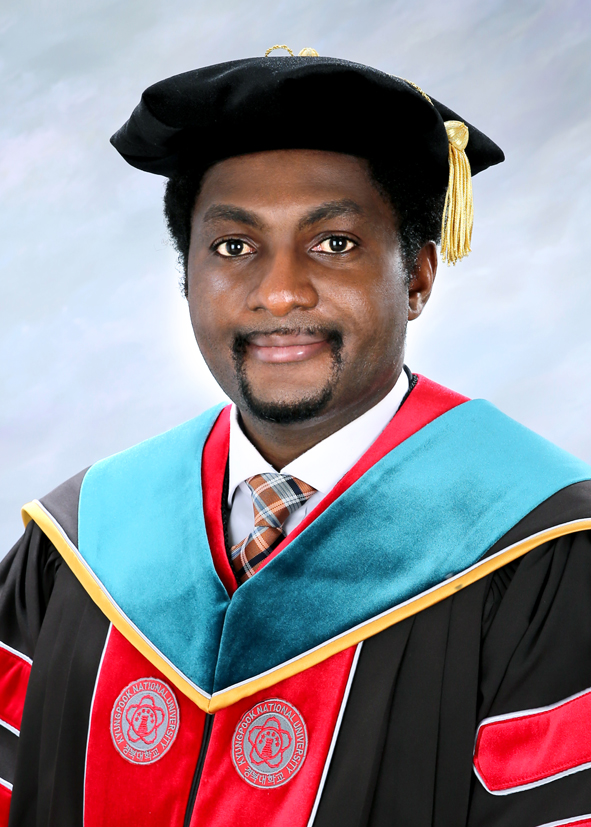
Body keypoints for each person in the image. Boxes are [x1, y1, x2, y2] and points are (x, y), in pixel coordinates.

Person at [1, 47, 591, 827]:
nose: (279, 291)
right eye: (233, 247)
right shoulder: (83, 539)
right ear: (186, 277)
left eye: (334, 242)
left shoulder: (541, 549)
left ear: (416, 277)